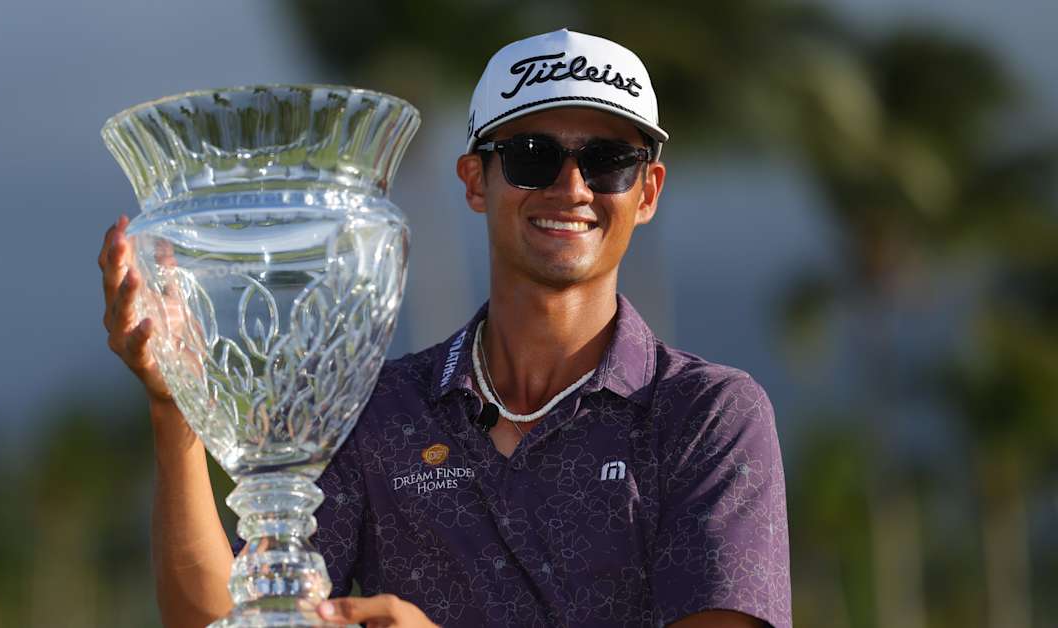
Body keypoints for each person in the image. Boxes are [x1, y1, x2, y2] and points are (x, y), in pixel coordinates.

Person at [100, 28, 791, 628]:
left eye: (609, 160)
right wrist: (178, 406)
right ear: (474, 180)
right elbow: (229, 621)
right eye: (531, 155)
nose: (573, 186)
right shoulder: (376, 412)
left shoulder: (705, 415)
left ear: (647, 192)